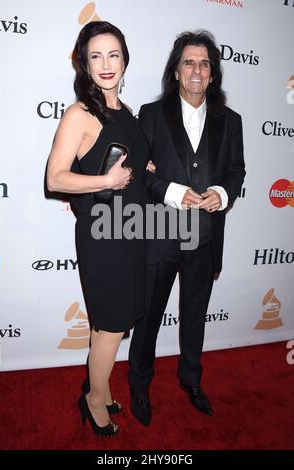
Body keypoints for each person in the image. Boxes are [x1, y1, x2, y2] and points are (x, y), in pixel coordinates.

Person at [128, 30, 246, 425]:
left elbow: (236, 171)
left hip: (206, 235)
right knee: (148, 316)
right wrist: (173, 191)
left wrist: (221, 194)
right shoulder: (150, 114)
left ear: (212, 74)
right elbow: (137, 177)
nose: (196, 70)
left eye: (204, 63)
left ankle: (191, 379)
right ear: (176, 71)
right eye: (189, 62)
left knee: (196, 313)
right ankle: (139, 384)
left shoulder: (230, 121)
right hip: (159, 233)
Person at [47, 21, 149, 436]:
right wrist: (105, 182)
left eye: (113, 55)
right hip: (104, 235)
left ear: (125, 61)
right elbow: (56, 178)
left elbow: (131, 164)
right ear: (84, 66)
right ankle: (93, 400)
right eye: (96, 56)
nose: (106, 64)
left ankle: (100, 388)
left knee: (109, 322)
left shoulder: (126, 112)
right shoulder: (80, 113)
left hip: (131, 230)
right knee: (111, 324)